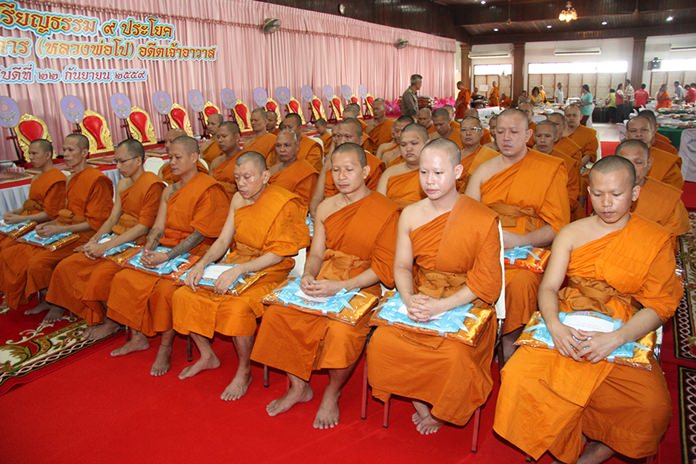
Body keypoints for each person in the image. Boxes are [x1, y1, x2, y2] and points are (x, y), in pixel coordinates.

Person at [494, 155, 682, 464]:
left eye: (616, 194)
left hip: (622, 323)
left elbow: (660, 305)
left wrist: (617, 338)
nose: (606, 203)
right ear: (588, 191)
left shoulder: (655, 239)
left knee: (652, 406)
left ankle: (593, 453)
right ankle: (560, 439)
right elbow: (549, 287)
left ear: (635, 193)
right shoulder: (571, 232)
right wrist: (554, 324)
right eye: (597, 193)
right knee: (518, 376)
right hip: (569, 315)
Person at [251, 142, 399, 429]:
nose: (341, 176)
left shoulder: (387, 210)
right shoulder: (326, 207)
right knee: (277, 316)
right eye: (336, 170)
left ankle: (332, 393)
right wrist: (308, 274)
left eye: (349, 170)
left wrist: (343, 286)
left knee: (342, 332)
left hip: (361, 283)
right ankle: (298, 386)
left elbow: (382, 269)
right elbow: (317, 252)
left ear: (366, 171)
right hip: (324, 278)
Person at [369, 137, 502, 435]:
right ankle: (419, 403)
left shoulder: (482, 218)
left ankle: (442, 411)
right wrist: (408, 299)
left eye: (438, 173)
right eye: (424, 172)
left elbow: (486, 282)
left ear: (457, 172)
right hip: (421, 293)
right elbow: (402, 266)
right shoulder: (411, 214)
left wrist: (442, 305)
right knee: (382, 343)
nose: (429, 181)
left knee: (453, 356)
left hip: (466, 299)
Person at [172, 152, 309, 399]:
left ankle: (244, 370)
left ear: (265, 176)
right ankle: (207, 355)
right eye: (237, 178)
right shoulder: (237, 199)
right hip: (237, 262)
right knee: (184, 294)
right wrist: (202, 264)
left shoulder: (282, 202)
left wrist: (240, 269)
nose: (241, 183)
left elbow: (279, 254)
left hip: (270, 269)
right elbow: (224, 240)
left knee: (237, 309)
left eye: (247, 177)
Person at [106, 135, 229, 376]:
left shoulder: (208, 188)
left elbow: (199, 234)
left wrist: (167, 256)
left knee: (165, 291)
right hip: (166, 249)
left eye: (177, 157)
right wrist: (150, 248)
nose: (171, 162)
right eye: (170, 157)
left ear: (194, 158)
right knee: (124, 278)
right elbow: (159, 227)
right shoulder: (170, 190)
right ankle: (138, 337)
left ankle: (165, 347)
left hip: (195, 252)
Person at [465, 109, 569, 358]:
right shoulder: (484, 169)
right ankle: (475, 340)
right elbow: (466, 217)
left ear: (528, 134)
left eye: (514, 132)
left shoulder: (548, 169)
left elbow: (559, 227)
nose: (506, 138)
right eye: (500, 132)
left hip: (530, 249)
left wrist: (521, 240)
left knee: (520, 284)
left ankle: (511, 345)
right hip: (487, 245)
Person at [44, 139, 164, 339]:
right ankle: (90, 314)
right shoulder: (124, 183)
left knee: (99, 276)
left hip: (137, 243)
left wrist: (107, 245)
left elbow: (143, 227)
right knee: (69, 265)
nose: (117, 167)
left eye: (122, 161)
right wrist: (95, 240)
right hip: (115, 238)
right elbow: (112, 218)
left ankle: (111, 322)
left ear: (138, 160)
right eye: (116, 161)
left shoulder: (153, 184)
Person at [0, 134, 113, 317]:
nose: (65, 155)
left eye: (70, 150)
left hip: (85, 234)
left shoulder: (97, 180)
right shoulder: (70, 179)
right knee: (17, 251)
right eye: (64, 151)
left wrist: (59, 228)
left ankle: (56, 303)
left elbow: (95, 222)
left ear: (84, 153)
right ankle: (46, 297)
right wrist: (51, 225)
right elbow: (65, 214)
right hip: (65, 230)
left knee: (38, 262)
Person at [615, 139, 689, 240]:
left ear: (649, 164)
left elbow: (672, 240)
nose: (631, 168)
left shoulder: (669, 199)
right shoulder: (604, 192)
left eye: (638, 162)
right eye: (625, 162)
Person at [309, 118, 384, 217]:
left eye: (348, 136)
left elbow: (374, 203)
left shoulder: (372, 165)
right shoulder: (332, 163)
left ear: (361, 140)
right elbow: (318, 200)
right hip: (329, 215)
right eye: (338, 136)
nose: (342, 141)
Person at [0, 139, 65, 253]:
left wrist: (20, 218)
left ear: (47, 155)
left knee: (7, 248)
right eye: (29, 153)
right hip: (27, 217)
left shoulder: (57, 179)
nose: (30, 157)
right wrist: (15, 212)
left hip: (39, 223)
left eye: (34, 153)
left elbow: (51, 214)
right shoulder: (36, 177)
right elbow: (32, 203)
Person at [534, 121, 581, 220]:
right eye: (539, 136)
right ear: (533, 137)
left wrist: (554, 210)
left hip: (557, 213)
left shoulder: (566, 163)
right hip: (529, 212)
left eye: (547, 136)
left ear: (555, 138)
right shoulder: (524, 159)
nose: (542, 140)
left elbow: (571, 194)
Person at [377, 123, 427, 209]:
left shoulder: (436, 172)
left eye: (414, 143)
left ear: (427, 144)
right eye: (403, 145)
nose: (408, 149)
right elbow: (379, 204)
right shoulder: (390, 172)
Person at [625, 114, 683, 189]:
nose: (639, 134)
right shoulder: (619, 159)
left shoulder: (668, 163)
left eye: (644, 130)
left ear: (653, 133)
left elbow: (671, 194)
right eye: (633, 131)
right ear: (626, 135)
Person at [268, 129, 319, 208]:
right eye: (278, 146)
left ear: (297, 147)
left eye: (287, 145)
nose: (282, 150)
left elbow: (302, 204)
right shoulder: (272, 170)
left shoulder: (306, 171)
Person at [457, 116, 499, 192]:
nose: (468, 133)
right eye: (463, 130)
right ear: (459, 133)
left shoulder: (491, 156)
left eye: (473, 129)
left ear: (482, 132)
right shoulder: (453, 156)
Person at [209, 122, 242, 198]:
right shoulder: (215, 162)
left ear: (237, 137)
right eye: (218, 137)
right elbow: (210, 187)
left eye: (224, 136)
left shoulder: (245, 159)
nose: (220, 140)